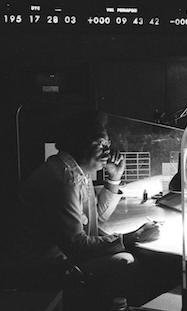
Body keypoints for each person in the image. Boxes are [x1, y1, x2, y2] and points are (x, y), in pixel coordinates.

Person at [12, 110, 162, 309]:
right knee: (126, 261)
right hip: (44, 272)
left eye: (107, 144)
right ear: (79, 142)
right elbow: (78, 247)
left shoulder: (74, 170)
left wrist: (114, 179)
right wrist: (130, 238)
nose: (108, 152)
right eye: (100, 144)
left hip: (62, 260)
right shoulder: (64, 180)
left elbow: (95, 218)